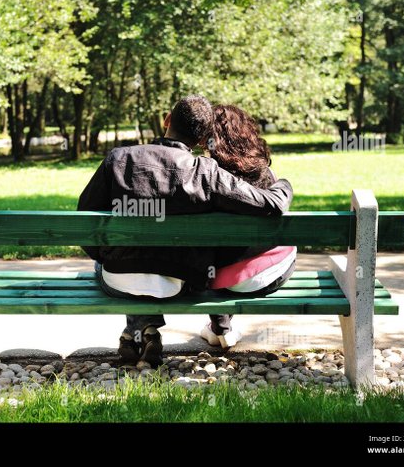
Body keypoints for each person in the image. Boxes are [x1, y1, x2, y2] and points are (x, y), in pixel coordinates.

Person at [77, 95, 293, 366]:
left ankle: (140, 328)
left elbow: (85, 220)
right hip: (174, 284)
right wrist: (282, 185)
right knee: (156, 261)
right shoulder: (206, 172)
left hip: (117, 280)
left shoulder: (118, 158)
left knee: (114, 261)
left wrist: (103, 255)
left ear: (167, 119)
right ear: (204, 140)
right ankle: (192, 327)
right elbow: (268, 204)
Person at [199, 105, 297, 348]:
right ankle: (219, 327)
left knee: (216, 256)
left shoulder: (205, 178)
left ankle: (219, 325)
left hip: (223, 280)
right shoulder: (266, 173)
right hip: (272, 274)